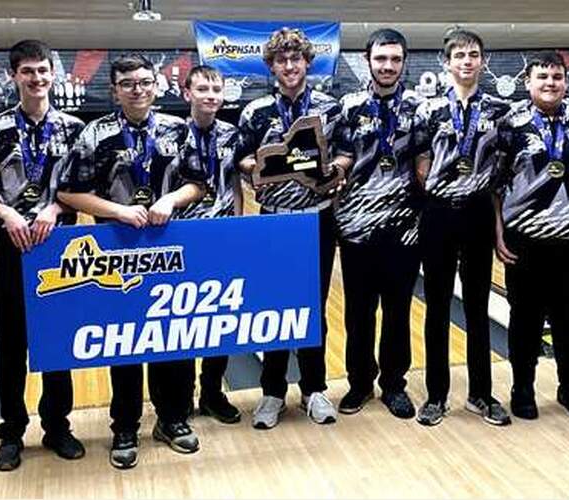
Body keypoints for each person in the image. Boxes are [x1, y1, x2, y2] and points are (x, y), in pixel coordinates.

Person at [57, 54, 205, 468]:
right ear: (115, 89)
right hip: (117, 251)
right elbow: (68, 192)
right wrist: (118, 211)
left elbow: (198, 183)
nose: (137, 89)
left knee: (169, 338)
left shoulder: (178, 129)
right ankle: (124, 425)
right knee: (124, 342)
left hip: (167, 249)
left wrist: (169, 199)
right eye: (127, 83)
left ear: (156, 84)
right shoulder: (95, 135)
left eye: (143, 81)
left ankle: (173, 419)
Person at [0, 39, 87, 472]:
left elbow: (80, 189)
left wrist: (57, 208)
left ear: (53, 73)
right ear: (13, 75)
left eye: (43, 71)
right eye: (28, 72)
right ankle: (12, 432)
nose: (37, 79)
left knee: (58, 337)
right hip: (13, 242)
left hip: (61, 246)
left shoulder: (75, 129)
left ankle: (58, 425)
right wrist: (8, 215)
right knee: (13, 341)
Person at [237, 27, 353, 430]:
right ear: (272, 66)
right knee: (273, 307)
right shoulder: (256, 112)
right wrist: (262, 168)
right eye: (281, 60)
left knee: (312, 307)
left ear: (307, 62)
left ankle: (314, 389)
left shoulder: (328, 107)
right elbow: (242, 159)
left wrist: (335, 170)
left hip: (316, 218)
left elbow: (346, 152)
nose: (289, 66)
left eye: (296, 59)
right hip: (273, 221)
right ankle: (271, 393)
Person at [411, 29, 510, 427]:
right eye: (460, 55)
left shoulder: (499, 110)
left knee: (476, 307)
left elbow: (502, 172)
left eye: (473, 54)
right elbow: (419, 162)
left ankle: (481, 395)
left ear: (482, 61)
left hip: (477, 214)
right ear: (446, 62)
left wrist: (499, 228)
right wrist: (436, 191)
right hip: (438, 214)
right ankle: (436, 395)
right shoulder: (428, 111)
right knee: (436, 308)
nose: (467, 61)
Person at [492, 51, 569, 422]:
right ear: (528, 82)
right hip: (526, 242)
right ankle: (522, 388)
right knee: (525, 319)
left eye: (557, 76)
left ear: (566, 82)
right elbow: (495, 183)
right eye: (542, 76)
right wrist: (498, 233)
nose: (550, 83)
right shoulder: (511, 124)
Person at [335, 29, 423, 419]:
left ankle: (393, 384)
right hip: (357, 228)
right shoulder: (348, 106)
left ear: (404, 61)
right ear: (368, 60)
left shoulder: (421, 107)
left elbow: (425, 163)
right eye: (380, 59)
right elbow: (340, 157)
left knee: (398, 310)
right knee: (358, 312)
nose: (388, 66)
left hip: (404, 229)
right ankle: (359, 383)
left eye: (395, 59)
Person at [175, 65, 243, 424]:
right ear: (188, 93)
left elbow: (234, 183)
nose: (211, 95)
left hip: (221, 235)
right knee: (183, 320)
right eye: (203, 89)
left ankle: (213, 392)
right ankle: (181, 397)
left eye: (217, 89)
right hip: (182, 237)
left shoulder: (232, 135)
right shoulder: (171, 134)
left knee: (220, 318)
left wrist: (237, 225)